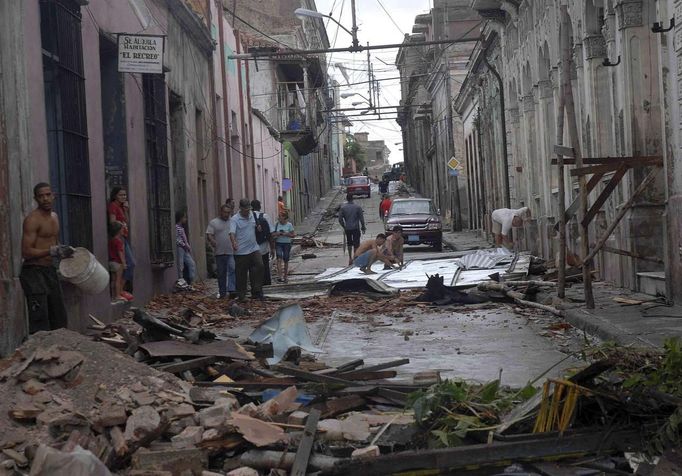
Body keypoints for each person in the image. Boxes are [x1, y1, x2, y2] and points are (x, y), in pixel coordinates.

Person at [20, 182, 73, 333]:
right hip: (33, 273)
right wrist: (51, 251)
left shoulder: (55, 217)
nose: (45, 199)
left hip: (50, 270)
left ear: (53, 196)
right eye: (41, 196)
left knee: (59, 318)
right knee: (40, 320)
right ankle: (38, 354)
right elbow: (26, 251)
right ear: (35, 199)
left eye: (48, 195)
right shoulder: (32, 220)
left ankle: (57, 354)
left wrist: (64, 252)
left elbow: (54, 244)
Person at [230, 199, 265, 301]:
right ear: (240, 208)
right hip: (241, 251)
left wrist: (258, 227)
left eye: (248, 209)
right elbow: (231, 233)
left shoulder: (252, 215)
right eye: (245, 210)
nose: (247, 211)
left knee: (260, 266)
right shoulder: (235, 219)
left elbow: (256, 225)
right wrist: (233, 243)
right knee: (241, 274)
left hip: (254, 248)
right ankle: (242, 295)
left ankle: (257, 290)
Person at [108, 187, 135, 292]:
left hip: (124, 237)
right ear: (115, 196)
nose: (123, 197)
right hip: (119, 238)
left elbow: (127, 221)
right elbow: (112, 222)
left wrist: (126, 210)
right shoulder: (113, 206)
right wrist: (120, 226)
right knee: (130, 263)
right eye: (121, 195)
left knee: (128, 264)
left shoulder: (121, 207)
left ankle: (121, 290)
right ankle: (120, 291)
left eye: (124, 195)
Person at [206, 204, 236, 299]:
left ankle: (232, 290)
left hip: (231, 251)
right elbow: (209, 234)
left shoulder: (233, 222)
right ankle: (222, 292)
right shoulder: (214, 222)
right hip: (219, 252)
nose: (226, 214)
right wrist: (212, 241)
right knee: (221, 273)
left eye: (228, 212)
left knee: (232, 269)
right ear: (221, 212)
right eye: (225, 212)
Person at [251, 199, 275, 286]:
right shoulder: (265, 216)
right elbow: (271, 233)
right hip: (264, 247)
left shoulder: (249, 217)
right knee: (265, 265)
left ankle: (256, 284)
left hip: (252, 248)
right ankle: (266, 283)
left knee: (253, 267)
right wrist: (272, 248)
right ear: (260, 207)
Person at [338, 193, 366, 265]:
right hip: (356, 228)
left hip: (348, 228)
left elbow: (340, 219)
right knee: (356, 244)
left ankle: (350, 258)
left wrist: (344, 226)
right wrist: (363, 227)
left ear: (347, 199)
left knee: (349, 243)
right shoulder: (357, 207)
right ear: (353, 198)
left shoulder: (343, 208)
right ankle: (355, 257)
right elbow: (361, 218)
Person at [108, 221, 131, 302]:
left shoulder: (111, 241)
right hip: (118, 263)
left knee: (113, 280)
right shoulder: (118, 241)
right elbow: (120, 252)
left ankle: (113, 295)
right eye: (122, 229)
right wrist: (124, 263)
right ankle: (117, 295)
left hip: (111, 262)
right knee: (118, 279)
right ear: (118, 231)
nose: (123, 231)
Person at [272, 212, 295, 283]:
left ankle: (285, 276)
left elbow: (293, 235)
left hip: (287, 244)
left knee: (286, 259)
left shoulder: (289, 225)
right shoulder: (276, 224)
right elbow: (272, 234)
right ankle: (280, 276)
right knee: (279, 259)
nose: (279, 218)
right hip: (278, 243)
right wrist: (277, 234)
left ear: (284, 218)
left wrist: (286, 234)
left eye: (280, 217)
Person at [175, 210, 196, 285]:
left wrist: (187, 245)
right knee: (180, 265)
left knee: (191, 263)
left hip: (185, 249)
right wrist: (184, 245)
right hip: (180, 248)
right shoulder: (176, 227)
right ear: (180, 218)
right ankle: (181, 281)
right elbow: (177, 239)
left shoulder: (181, 228)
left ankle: (191, 281)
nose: (185, 219)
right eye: (184, 217)